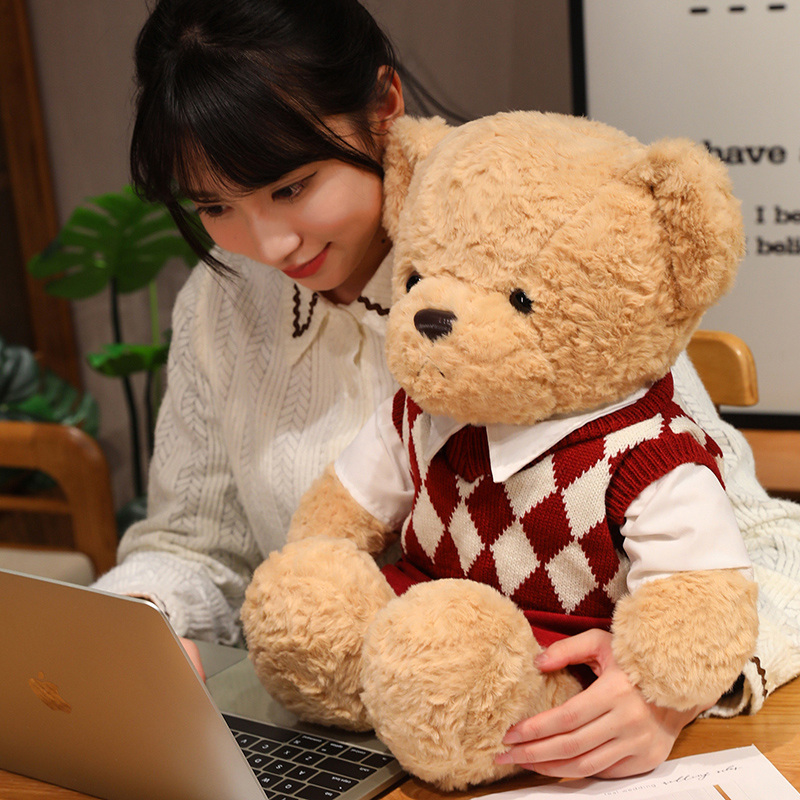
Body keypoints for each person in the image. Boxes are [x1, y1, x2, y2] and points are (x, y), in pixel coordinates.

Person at [94, 0, 800, 781]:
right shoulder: (220, 304)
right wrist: (139, 621)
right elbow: (193, 542)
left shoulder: (543, 258)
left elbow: (774, 544)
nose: (269, 244)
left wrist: (668, 694)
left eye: (291, 188)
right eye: (216, 206)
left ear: (384, 108)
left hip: (546, 752)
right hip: (333, 738)